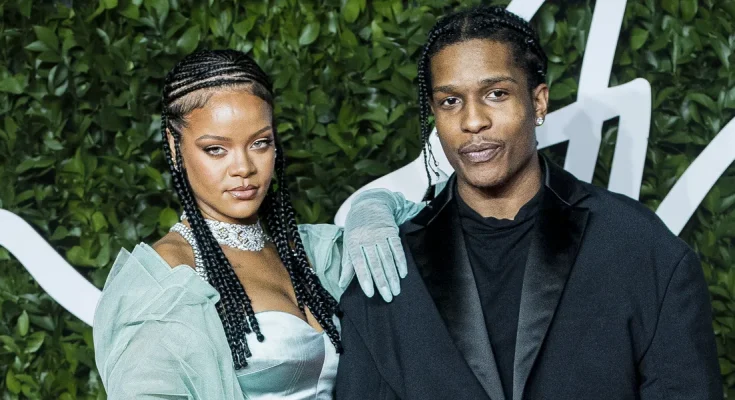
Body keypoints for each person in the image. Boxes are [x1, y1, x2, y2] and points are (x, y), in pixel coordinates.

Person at [335, 5, 722, 400]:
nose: (472, 121)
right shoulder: (386, 270)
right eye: (450, 101)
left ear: (538, 102)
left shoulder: (638, 245)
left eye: (496, 94)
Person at [93, 49, 423, 399]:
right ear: (176, 147)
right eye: (216, 149)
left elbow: (442, 230)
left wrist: (373, 204)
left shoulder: (308, 252)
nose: (244, 168)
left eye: (260, 143)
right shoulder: (167, 282)